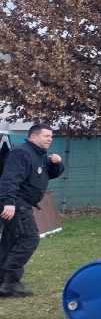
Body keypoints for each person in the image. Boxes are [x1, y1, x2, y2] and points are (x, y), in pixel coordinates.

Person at [0, 124, 64, 297]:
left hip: (22, 203)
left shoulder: (40, 156)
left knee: (10, 243)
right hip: (16, 204)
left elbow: (48, 174)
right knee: (29, 239)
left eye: (51, 136)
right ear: (33, 137)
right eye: (46, 136)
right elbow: (10, 179)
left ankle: (2, 282)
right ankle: (11, 282)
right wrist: (9, 202)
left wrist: (56, 163)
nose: (50, 139)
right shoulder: (21, 153)